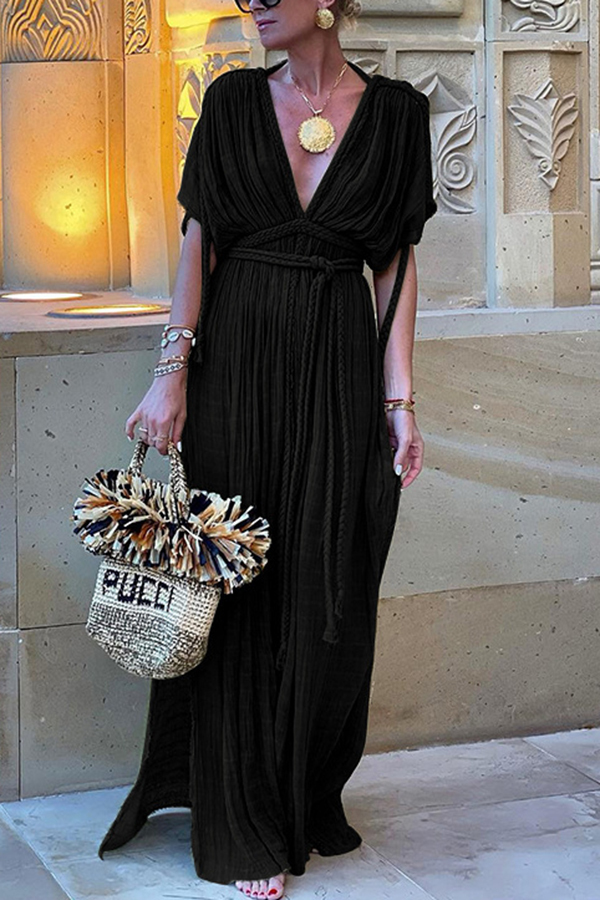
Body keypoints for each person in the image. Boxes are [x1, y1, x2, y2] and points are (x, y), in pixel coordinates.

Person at [99, 1, 437, 898]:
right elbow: (199, 244)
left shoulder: (398, 114)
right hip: (236, 365)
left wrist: (399, 401)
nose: (253, 1)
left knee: (325, 581)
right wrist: (170, 374)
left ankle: (295, 791)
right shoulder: (233, 101)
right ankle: (242, 819)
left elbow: (395, 267)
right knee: (236, 583)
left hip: (337, 369)